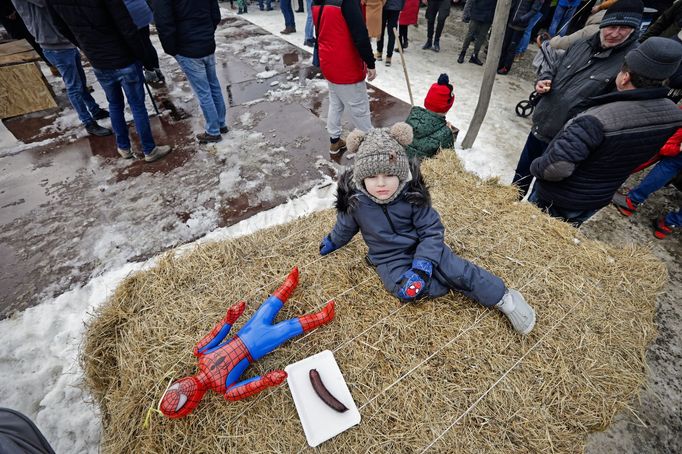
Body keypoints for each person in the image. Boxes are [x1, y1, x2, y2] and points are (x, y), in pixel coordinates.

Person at [319, 123, 536, 334]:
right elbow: (344, 229)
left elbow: (431, 231)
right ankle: (435, 281)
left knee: (458, 271)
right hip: (388, 258)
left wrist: (423, 263)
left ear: (401, 174)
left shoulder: (412, 197)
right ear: (361, 178)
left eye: (389, 175)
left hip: (423, 247)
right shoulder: (355, 203)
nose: (381, 183)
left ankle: (505, 298)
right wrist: (332, 241)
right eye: (372, 177)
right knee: (405, 289)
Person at [528, 37, 682, 226]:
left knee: (529, 234)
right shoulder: (673, 114)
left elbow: (556, 168)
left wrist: (537, 166)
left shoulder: (597, 119)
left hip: (559, 198)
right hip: (596, 199)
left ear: (625, 77)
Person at [512, 0, 643, 197]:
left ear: (633, 30)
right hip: (543, 123)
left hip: (568, 140)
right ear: (602, 24)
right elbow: (554, 64)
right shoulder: (582, 43)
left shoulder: (630, 63)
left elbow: (615, 109)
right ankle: (510, 205)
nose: (615, 34)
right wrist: (545, 78)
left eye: (623, 28)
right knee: (520, 177)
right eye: (611, 26)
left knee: (544, 190)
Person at [47, 0, 172, 162]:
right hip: (124, 57)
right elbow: (126, 26)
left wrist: (86, 46)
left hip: (99, 60)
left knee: (114, 104)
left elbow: (61, 27)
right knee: (137, 105)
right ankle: (149, 149)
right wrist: (142, 55)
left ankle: (124, 147)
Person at [11, 0, 112, 137]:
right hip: (54, 45)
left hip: (65, 40)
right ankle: (88, 122)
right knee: (74, 86)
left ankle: (94, 110)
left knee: (80, 82)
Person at [155, 0, 228, 144]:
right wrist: (207, 33)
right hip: (205, 43)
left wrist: (172, 49)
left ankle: (213, 131)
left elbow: (164, 23)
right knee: (213, 86)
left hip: (188, 48)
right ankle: (220, 123)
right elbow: (215, 14)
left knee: (203, 92)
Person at [313, 0, 376, 156]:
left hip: (329, 61)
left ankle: (335, 141)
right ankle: (370, 149)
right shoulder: (347, 2)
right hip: (346, 65)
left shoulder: (318, 1)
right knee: (360, 109)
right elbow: (360, 35)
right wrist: (370, 62)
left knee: (336, 103)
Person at [405, 73, 455, 158]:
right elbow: (449, 160)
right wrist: (448, 132)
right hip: (420, 169)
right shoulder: (445, 133)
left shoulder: (413, 115)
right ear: (447, 107)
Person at [496, 0, 544, 75]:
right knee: (504, 45)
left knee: (511, 48)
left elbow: (533, 11)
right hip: (510, 22)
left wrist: (521, 19)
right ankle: (499, 64)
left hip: (520, 26)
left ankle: (506, 68)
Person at [122, 0, 164, 84]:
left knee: (139, 46)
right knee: (146, 42)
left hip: (129, 13)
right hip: (141, 8)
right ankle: (156, 69)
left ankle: (150, 71)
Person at [458, 0, 496, 65]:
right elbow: (470, 1)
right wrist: (466, 13)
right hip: (476, 13)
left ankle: (474, 55)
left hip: (488, 16)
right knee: (470, 34)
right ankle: (463, 52)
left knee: (482, 37)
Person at [375, 0, 405, 66]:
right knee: (392, 33)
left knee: (380, 30)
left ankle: (379, 52)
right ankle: (389, 57)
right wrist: (401, 6)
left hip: (384, 5)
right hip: (396, 6)